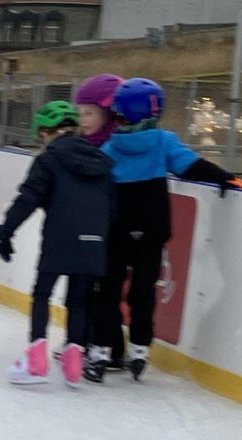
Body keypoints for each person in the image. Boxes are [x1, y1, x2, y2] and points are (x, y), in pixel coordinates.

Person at [87, 77, 238, 382]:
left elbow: (93, 185)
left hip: (116, 231)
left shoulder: (110, 148)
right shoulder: (164, 142)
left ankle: (101, 352)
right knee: (143, 292)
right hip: (152, 230)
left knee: (109, 292)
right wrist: (226, 177)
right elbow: (191, 166)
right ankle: (139, 349)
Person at [0, 101, 113, 388]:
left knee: (42, 294)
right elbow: (112, 207)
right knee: (79, 301)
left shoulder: (49, 159)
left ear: (46, 132)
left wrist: (6, 232)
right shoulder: (101, 161)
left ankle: (36, 363)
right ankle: (73, 367)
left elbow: (28, 198)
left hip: (60, 238)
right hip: (95, 241)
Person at [74, 73, 127, 369]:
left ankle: (108, 346)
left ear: (108, 114)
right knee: (88, 288)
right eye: (80, 113)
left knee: (102, 290)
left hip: (109, 231)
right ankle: (86, 340)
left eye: (90, 113)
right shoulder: (84, 145)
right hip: (88, 228)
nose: (83, 120)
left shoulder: (114, 148)